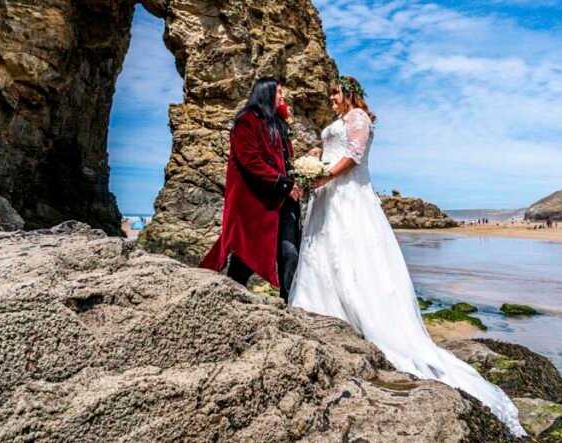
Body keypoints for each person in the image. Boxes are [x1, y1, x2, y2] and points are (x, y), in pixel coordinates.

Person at [288, 76, 525, 436]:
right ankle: (323, 310)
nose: (331, 98)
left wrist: (323, 177)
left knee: (354, 256)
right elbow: (335, 148)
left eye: (336, 93)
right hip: (330, 198)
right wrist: (316, 156)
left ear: (350, 94)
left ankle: (360, 318)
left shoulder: (359, 119)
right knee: (322, 253)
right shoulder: (338, 123)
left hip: (349, 197)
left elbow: (353, 156)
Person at [199, 77, 304, 302]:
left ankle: (289, 305)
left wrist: (297, 179)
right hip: (256, 203)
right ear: (266, 94)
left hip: (283, 201)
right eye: (279, 93)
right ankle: (228, 300)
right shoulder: (246, 121)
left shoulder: (278, 123)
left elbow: (285, 161)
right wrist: (286, 184)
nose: (283, 97)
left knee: (290, 254)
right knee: (245, 257)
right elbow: (251, 161)